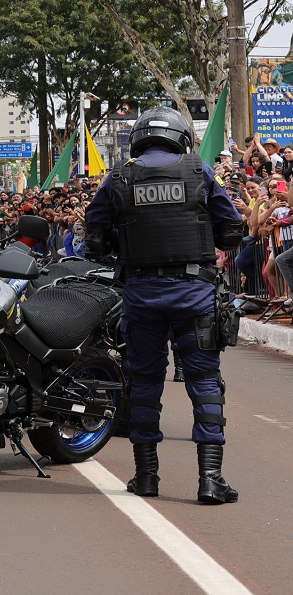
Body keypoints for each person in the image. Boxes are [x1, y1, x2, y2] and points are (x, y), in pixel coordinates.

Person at [85, 107, 244, 505]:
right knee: (204, 382)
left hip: (141, 296)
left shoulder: (119, 177)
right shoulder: (199, 172)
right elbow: (231, 230)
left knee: (143, 383)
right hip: (194, 294)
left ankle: (146, 477)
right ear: (180, 136)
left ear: (139, 137)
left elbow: (95, 234)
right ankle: (210, 480)